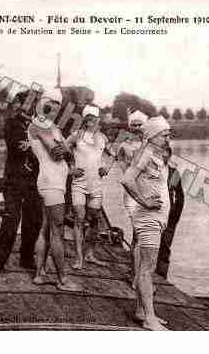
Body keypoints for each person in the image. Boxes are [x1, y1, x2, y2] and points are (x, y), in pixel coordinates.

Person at [121, 115, 171, 331]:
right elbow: (127, 179)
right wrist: (145, 201)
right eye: (165, 134)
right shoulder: (146, 152)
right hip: (148, 217)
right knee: (146, 269)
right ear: (152, 135)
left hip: (155, 218)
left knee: (144, 265)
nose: (169, 137)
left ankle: (142, 311)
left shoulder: (156, 153)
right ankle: (149, 318)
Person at [27, 107, 80, 291]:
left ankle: (40, 274)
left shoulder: (53, 127)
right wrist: (65, 147)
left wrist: (65, 150)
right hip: (52, 183)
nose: (52, 111)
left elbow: (66, 152)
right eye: (48, 107)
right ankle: (63, 279)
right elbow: (57, 152)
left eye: (56, 107)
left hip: (54, 181)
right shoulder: (38, 126)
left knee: (45, 228)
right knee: (57, 231)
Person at [0, 91, 42, 273]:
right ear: (19, 104)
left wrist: (34, 146)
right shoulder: (12, 123)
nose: (29, 106)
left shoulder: (41, 125)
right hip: (14, 179)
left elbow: (48, 151)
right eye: (26, 102)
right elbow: (17, 147)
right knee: (11, 219)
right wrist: (37, 146)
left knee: (34, 220)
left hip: (35, 180)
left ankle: (26, 257)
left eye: (33, 102)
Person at [64, 105, 109, 270]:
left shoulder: (102, 137)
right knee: (79, 217)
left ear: (98, 119)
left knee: (94, 219)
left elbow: (112, 155)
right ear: (84, 118)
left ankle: (90, 253)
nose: (91, 120)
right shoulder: (76, 135)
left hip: (96, 184)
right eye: (88, 117)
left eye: (94, 117)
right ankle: (79, 257)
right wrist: (70, 169)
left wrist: (106, 167)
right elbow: (60, 149)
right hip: (79, 183)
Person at [116, 110, 148, 288]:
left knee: (144, 235)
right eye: (133, 125)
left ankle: (138, 272)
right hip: (132, 193)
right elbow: (123, 167)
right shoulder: (124, 146)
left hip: (149, 192)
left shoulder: (152, 145)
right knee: (138, 233)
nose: (136, 128)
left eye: (139, 124)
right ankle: (136, 276)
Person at [156, 145, 184, 279]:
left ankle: (161, 279)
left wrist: (175, 216)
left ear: (169, 156)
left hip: (169, 216)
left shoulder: (174, 173)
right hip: (152, 213)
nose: (163, 157)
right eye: (160, 154)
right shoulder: (150, 171)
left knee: (165, 248)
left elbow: (180, 197)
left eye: (166, 154)